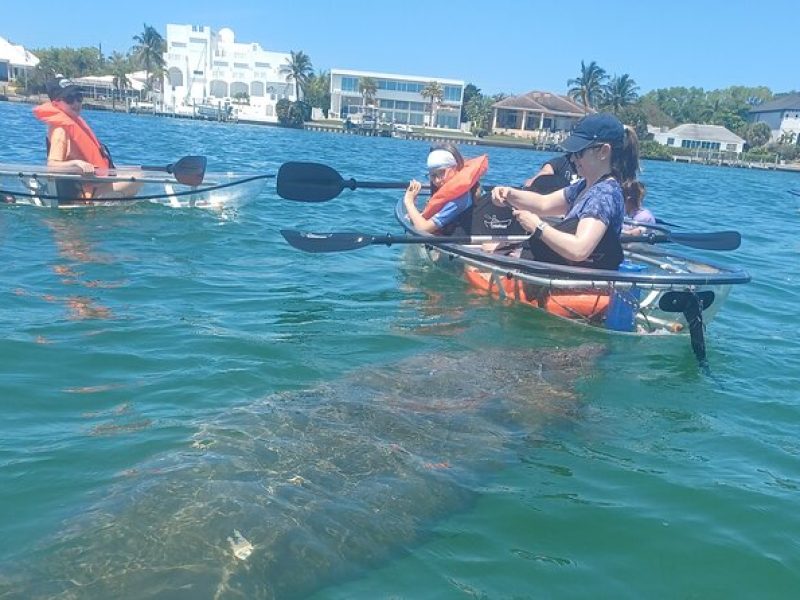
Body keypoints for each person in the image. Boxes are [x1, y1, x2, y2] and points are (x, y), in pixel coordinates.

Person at [491, 113, 642, 270]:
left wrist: (537, 226)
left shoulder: (604, 195)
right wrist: (509, 194)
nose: (572, 159)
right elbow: (544, 204)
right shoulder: (584, 187)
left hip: (581, 286)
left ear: (604, 152)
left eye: (579, 152)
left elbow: (579, 250)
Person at [32, 78, 141, 199]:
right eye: (69, 99)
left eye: (79, 97)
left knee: (134, 172)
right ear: (56, 103)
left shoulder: (72, 123)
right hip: (83, 194)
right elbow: (52, 166)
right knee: (138, 177)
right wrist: (76, 164)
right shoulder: (60, 130)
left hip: (92, 186)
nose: (76, 103)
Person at [403, 144, 488, 234]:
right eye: (433, 175)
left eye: (442, 172)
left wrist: (409, 202)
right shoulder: (468, 189)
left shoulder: (459, 200)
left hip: (457, 244)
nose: (437, 180)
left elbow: (423, 229)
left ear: (456, 168)